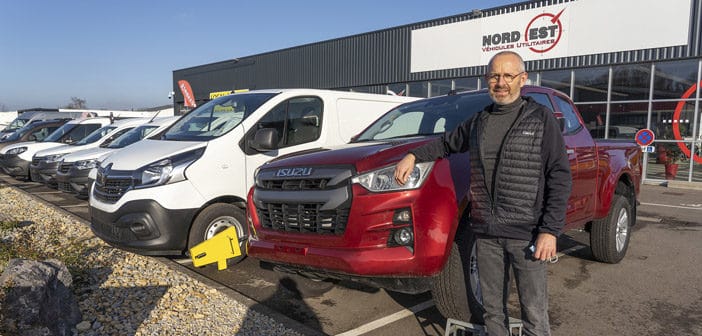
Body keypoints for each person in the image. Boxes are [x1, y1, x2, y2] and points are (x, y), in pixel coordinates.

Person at [394, 51, 571, 336]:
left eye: (508, 76)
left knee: (534, 313)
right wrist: (413, 155)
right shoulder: (478, 122)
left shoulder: (541, 119)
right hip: (487, 234)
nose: (500, 82)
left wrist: (550, 230)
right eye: (494, 76)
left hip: (527, 233)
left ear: (522, 79)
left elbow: (560, 176)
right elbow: (445, 144)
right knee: (492, 311)